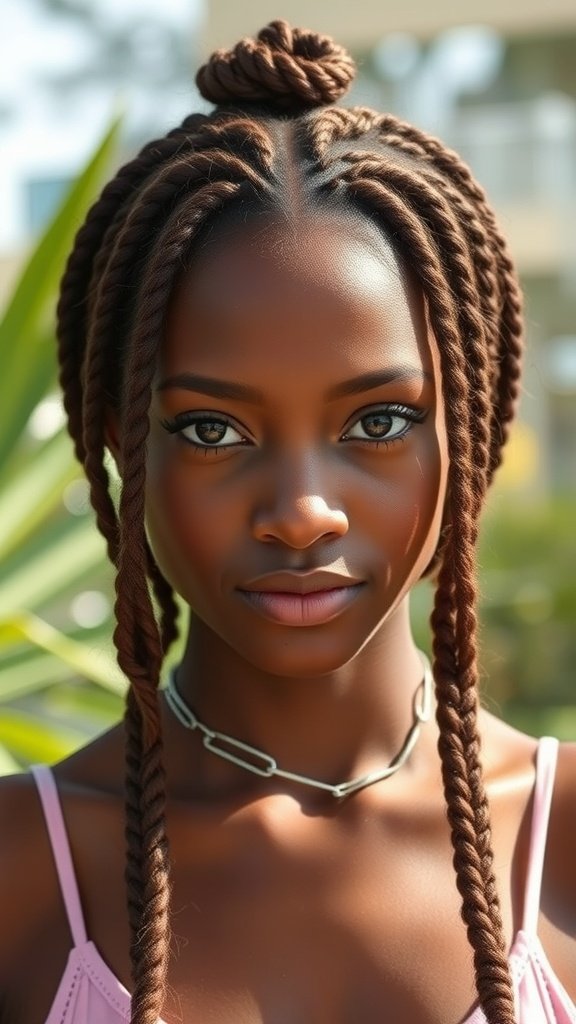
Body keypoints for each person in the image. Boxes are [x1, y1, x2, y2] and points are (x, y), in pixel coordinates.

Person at [0, 18, 574, 1024]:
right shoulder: (25, 872)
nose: (302, 512)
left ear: (473, 424)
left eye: (379, 420)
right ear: (118, 439)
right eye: (214, 428)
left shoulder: (560, 837)